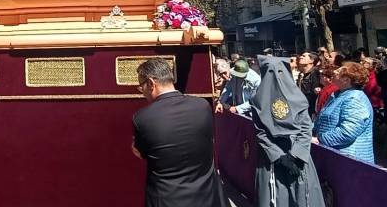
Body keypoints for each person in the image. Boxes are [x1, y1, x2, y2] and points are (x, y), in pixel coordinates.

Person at [132, 57, 228, 207]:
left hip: (166, 200)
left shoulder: (142, 118)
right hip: (207, 197)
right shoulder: (202, 106)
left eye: (141, 86)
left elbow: (139, 151)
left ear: (151, 83)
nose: (141, 92)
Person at [249, 58, 325, 207]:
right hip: (272, 160)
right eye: (271, 72)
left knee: (302, 196)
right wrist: (278, 157)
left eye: (279, 72)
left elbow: (305, 128)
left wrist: (295, 155)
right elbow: (260, 132)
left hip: (298, 157)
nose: (275, 77)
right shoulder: (257, 100)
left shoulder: (298, 98)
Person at [313, 62, 375, 163]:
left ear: (346, 80)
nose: (334, 71)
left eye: (339, 71)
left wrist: (320, 140)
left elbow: (348, 131)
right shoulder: (337, 95)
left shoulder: (355, 98)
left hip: (350, 160)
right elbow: (321, 120)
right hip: (332, 155)